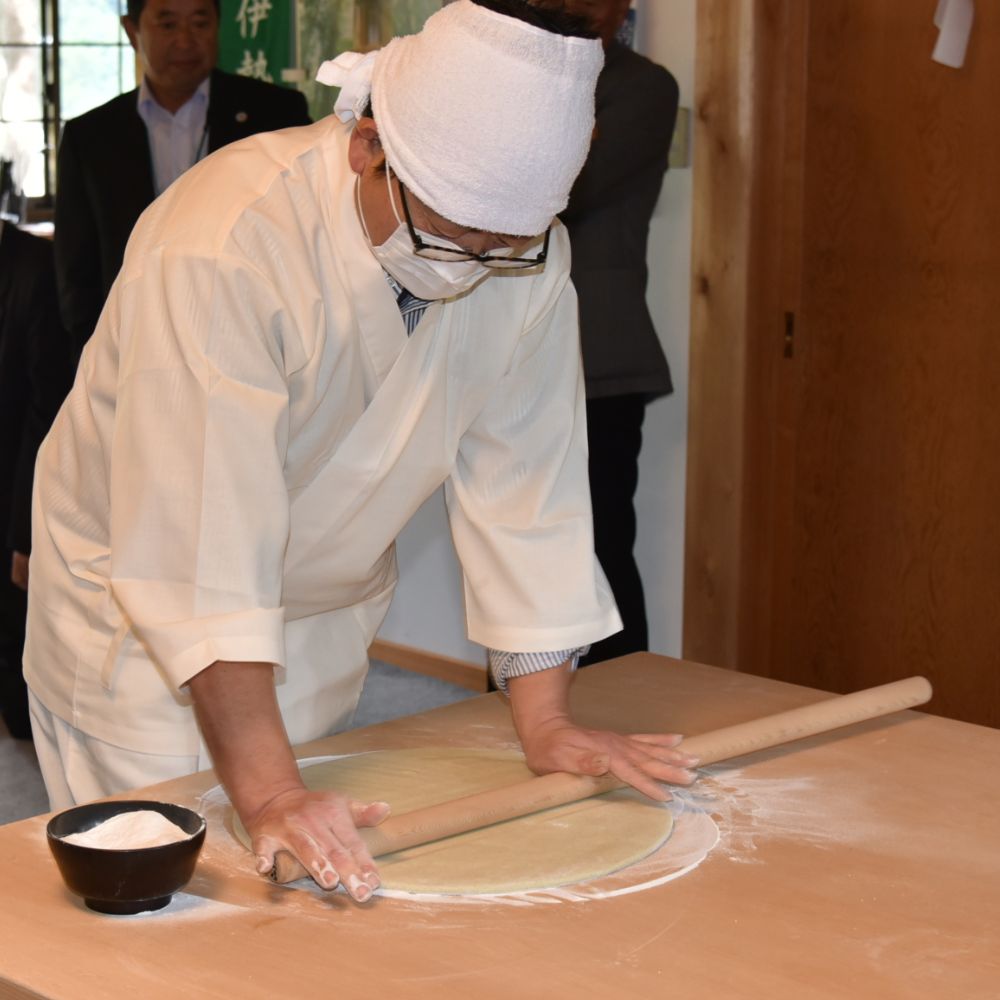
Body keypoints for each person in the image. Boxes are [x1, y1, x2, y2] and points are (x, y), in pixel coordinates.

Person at [26, 0, 698, 905]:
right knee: (173, 927)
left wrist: (545, 722)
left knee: (308, 895)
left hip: (314, 626)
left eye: (503, 248)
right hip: (144, 627)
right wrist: (268, 791)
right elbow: (200, 548)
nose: (471, 268)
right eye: (449, 236)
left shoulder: (524, 258)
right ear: (367, 146)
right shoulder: (227, 245)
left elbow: (527, 493)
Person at [54, 0, 311, 353]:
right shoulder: (91, 136)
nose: (186, 40)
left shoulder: (276, 114)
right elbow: (76, 275)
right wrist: (104, 358)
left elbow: (303, 234)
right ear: (133, 32)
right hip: (132, 345)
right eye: (168, 24)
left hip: (251, 339)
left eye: (200, 23)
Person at [560, 0, 679, 665]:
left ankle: (626, 705)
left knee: (602, 544)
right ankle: (513, 715)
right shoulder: (512, 77)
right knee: (510, 546)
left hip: (601, 359)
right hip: (508, 356)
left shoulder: (642, 86)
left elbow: (565, 190)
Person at [0, 221, 76, 739]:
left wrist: (24, 534)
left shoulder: (35, 265)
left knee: (16, 631)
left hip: (16, 487)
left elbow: (47, 408)